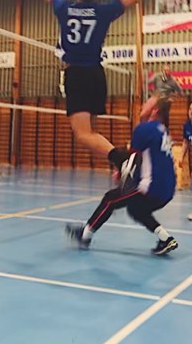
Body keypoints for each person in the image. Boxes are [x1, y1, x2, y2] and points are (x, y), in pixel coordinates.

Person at [34, 0, 145, 170]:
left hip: (77, 76)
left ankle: (123, 160)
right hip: (96, 75)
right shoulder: (104, 11)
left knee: (83, 135)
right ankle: (121, 165)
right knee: (90, 133)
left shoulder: (64, 7)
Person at [65, 100, 178, 255]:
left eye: (146, 104)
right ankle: (166, 238)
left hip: (151, 187)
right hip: (168, 190)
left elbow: (134, 158)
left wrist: (123, 175)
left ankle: (85, 236)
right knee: (135, 210)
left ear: (155, 110)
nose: (142, 105)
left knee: (110, 199)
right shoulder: (163, 130)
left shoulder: (144, 129)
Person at [140, 63, 182, 129]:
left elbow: (180, 90)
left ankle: (165, 129)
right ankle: (145, 128)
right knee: (145, 114)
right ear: (162, 71)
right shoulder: (157, 76)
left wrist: (173, 97)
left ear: (170, 72)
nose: (166, 72)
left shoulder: (173, 80)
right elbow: (147, 82)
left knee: (163, 117)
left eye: (168, 70)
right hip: (155, 98)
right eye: (165, 70)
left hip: (165, 100)